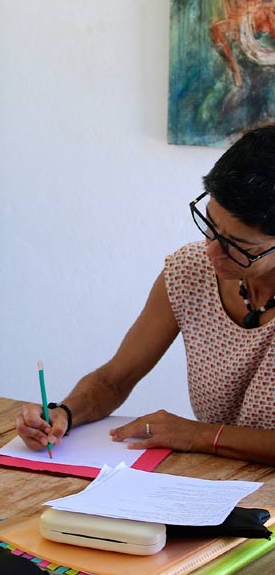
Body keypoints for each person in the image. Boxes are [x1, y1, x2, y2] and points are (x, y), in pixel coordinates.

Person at [17, 125, 275, 466]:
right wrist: (63, 413)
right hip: (219, 484)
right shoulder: (191, 271)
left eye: (239, 247)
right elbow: (114, 379)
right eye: (210, 225)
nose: (212, 252)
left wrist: (198, 434)